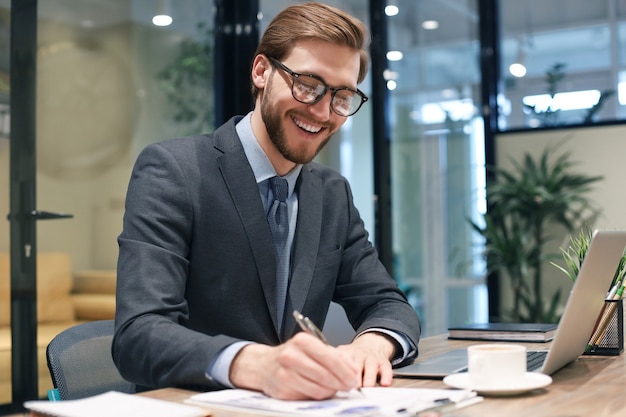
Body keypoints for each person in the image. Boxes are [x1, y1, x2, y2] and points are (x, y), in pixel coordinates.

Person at [112, 1, 421, 401]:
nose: (323, 111)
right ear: (262, 72)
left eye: (342, 96)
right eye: (308, 84)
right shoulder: (175, 170)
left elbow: (387, 303)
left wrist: (372, 344)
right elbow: (138, 334)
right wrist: (257, 364)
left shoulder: (332, 193)